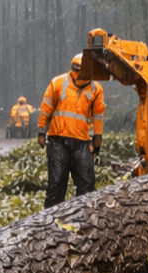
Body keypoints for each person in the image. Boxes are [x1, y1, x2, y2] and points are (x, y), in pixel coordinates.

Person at [37, 54, 105, 208]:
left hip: (82, 142)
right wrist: (42, 131)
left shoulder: (95, 89)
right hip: (57, 141)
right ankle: (51, 220)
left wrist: (97, 141)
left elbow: (98, 116)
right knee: (56, 185)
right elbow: (46, 107)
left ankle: (84, 218)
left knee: (87, 185)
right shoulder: (58, 83)